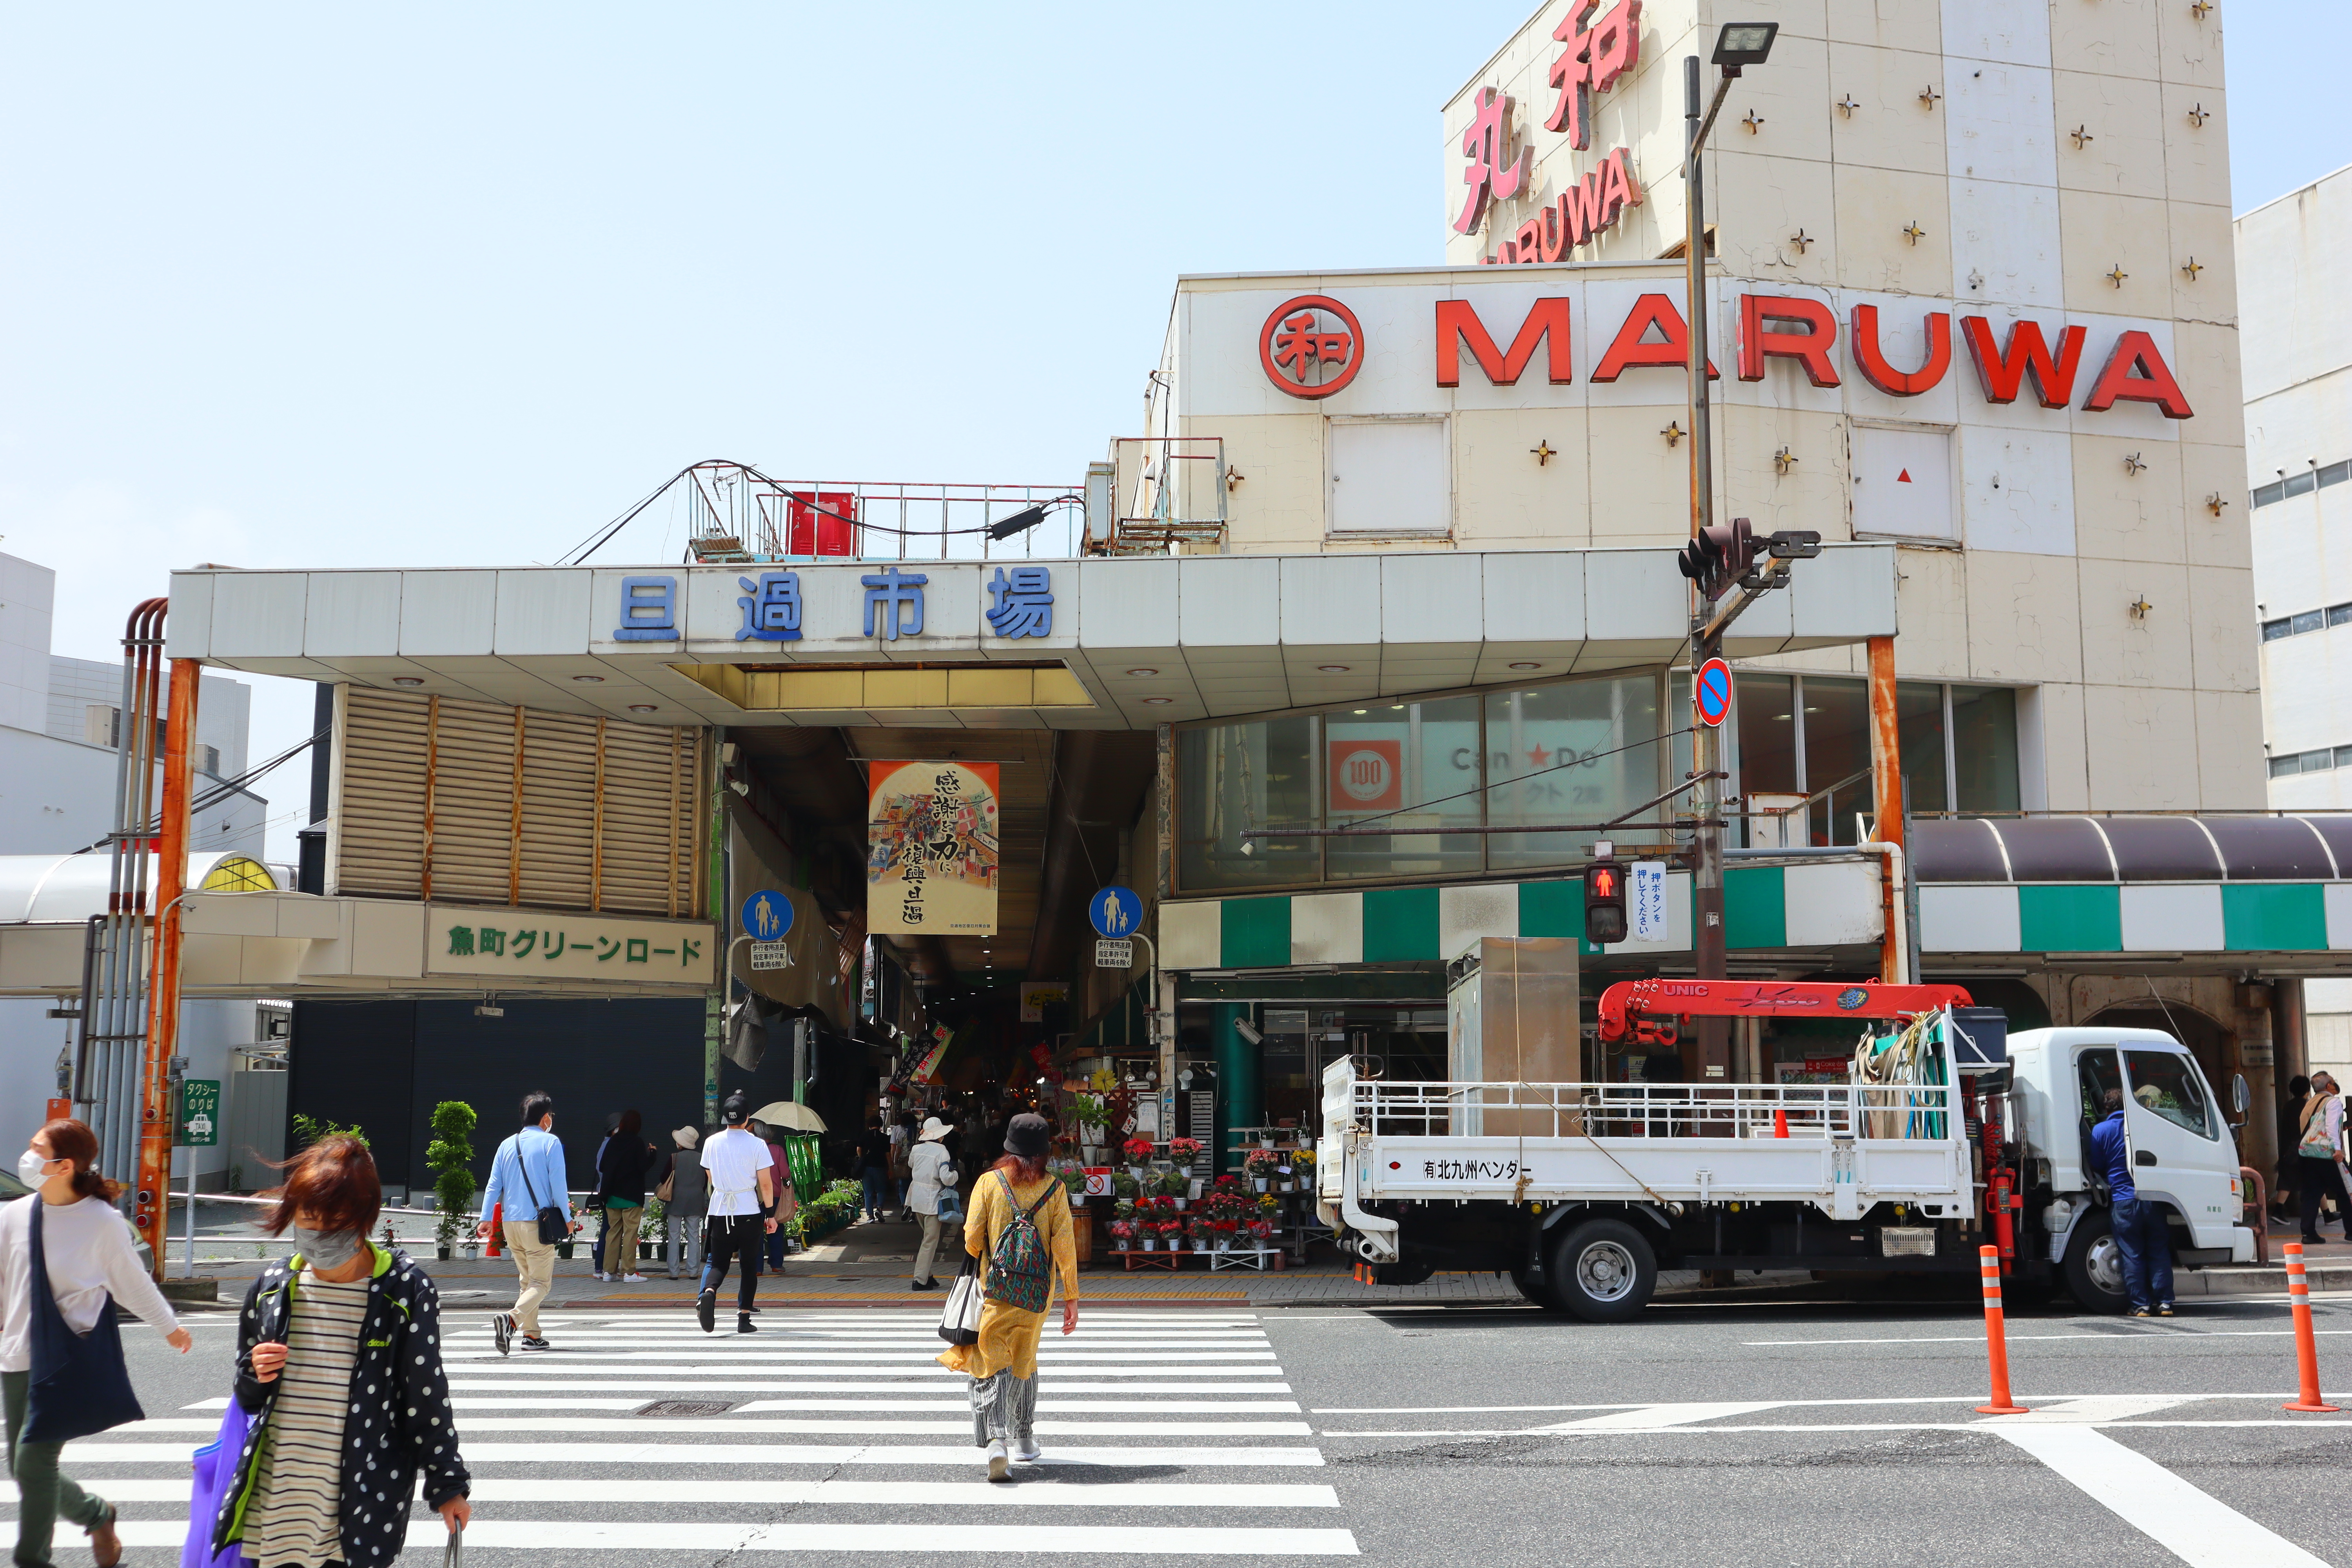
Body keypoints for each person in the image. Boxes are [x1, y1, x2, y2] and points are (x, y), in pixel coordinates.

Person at [212, 1134, 469, 1568]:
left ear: (365, 1218)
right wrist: (256, 1371)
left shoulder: (403, 1292)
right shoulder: (274, 1287)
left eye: (336, 1221)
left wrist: (449, 1486)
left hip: (357, 1509)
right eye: (309, 1217)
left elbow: (425, 1399)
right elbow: (248, 1394)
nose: (319, 1233)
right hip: (276, 1504)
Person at [3, 1119, 191, 1568]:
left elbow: (132, 1284)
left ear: (64, 1164)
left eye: (36, 1148)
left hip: (65, 1361)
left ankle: (32, 1559)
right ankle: (97, 1514)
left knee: (33, 1464)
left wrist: (170, 1326)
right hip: (15, 1355)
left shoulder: (102, 1222)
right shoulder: (13, 1215)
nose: (27, 1155)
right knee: (24, 1467)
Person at [937, 1112, 1078, 1481]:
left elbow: (971, 1237)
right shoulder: (1055, 1189)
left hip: (994, 1291)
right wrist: (1072, 1298)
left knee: (988, 1363)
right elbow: (1065, 1246)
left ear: (1009, 1149)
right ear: (1044, 1153)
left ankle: (996, 1441)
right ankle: (1026, 1440)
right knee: (1024, 1362)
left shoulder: (989, 1183)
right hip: (1037, 1296)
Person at [478, 1091, 580, 1354]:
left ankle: (532, 1335)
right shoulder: (551, 1143)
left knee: (528, 1280)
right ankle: (511, 1320)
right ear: (546, 1118)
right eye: (551, 1116)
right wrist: (568, 1219)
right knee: (541, 1284)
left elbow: (493, 1185)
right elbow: (559, 1185)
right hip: (537, 1223)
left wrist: (486, 1218)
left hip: (510, 1223)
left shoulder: (506, 1144)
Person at [697, 1094, 778, 1335]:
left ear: (725, 1118)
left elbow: (711, 1178)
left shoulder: (711, 1142)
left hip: (720, 1210)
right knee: (749, 1265)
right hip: (749, 1212)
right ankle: (744, 1319)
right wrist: (770, 1215)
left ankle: (709, 1293)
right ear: (748, 1118)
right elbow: (765, 1186)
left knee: (719, 1263)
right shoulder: (757, 1145)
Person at [2089, 1087, 2174, 1316]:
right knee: (2158, 1250)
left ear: (2106, 1108)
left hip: (2123, 1201)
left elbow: (2097, 1165)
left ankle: (2141, 1306)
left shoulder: (2100, 1131)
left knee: (2132, 1253)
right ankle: (2165, 1303)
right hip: (2152, 1197)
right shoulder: (2142, 1127)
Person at [595, 1110, 655, 1283]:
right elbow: (643, 1166)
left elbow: (604, 1165)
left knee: (613, 1233)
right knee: (630, 1233)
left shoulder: (612, 1142)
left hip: (612, 1195)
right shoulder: (636, 1142)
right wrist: (653, 1154)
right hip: (631, 1196)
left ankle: (608, 1272)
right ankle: (629, 1273)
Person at [2296, 1071, 2350, 1246]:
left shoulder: (2310, 1104)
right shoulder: (2333, 1102)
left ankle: (2308, 1233)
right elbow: (2330, 1126)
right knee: (2346, 1191)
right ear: (2329, 1086)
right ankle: (2351, 1231)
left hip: (2308, 1153)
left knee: (2311, 1193)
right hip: (2328, 1154)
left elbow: (2313, 1127)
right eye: (2334, 1082)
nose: (2335, 1085)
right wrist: (2337, 1150)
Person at [906, 1116, 958, 1292]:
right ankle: (919, 1280)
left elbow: (911, 1165)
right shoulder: (942, 1152)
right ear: (940, 1136)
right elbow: (947, 1178)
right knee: (930, 1241)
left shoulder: (916, 1149)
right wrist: (956, 1175)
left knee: (927, 1239)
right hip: (933, 1201)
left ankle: (927, 1277)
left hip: (916, 1200)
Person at [663, 1126, 708, 1281]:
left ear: (680, 1144)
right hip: (696, 1199)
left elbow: (664, 1178)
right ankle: (693, 1271)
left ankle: (674, 1272)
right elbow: (706, 1181)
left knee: (674, 1236)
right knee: (694, 1236)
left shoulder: (674, 1158)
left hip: (676, 1199)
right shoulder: (702, 1158)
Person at [760, 1128, 798, 1274]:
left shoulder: (752, 1149)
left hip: (754, 1196)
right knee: (776, 1228)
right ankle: (776, 1264)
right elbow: (785, 1173)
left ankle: (757, 1268)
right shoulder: (777, 1150)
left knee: (755, 1231)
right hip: (774, 1195)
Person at [2277, 1074, 2312, 1220]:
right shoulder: (2307, 1106)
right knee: (2313, 1178)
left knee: (2290, 1178)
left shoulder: (2289, 1105)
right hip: (2302, 1148)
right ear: (2308, 1090)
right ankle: (2278, 1212)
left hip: (2288, 1148)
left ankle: (2328, 1213)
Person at [857, 1123, 895, 1223]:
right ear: (881, 1126)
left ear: (869, 1126)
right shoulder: (884, 1138)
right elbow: (888, 1155)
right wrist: (891, 1169)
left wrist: (862, 1159)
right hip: (880, 1167)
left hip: (866, 1168)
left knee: (868, 1193)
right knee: (881, 1190)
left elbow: (859, 1150)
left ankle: (870, 1217)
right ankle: (879, 1208)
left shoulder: (864, 1135)